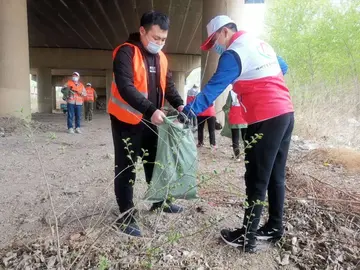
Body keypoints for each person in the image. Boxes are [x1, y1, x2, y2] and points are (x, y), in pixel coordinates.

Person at [183, 15, 294, 252]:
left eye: (214, 41)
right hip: (285, 112)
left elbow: (215, 86)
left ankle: (248, 237)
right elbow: (282, 67)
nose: (214, 47)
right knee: (275, 175)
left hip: (265, 117)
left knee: (256, 177)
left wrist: (189, 111)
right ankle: (275, 227)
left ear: (224, 32)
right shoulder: (259, 43)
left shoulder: (233, 53)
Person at [108, 11, 185, 237]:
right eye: (155, 37)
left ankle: (159, 201)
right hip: (126, 120)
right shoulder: (125, 52)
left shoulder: (161, 57)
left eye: (163, 39)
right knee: (126, 166)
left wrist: (180, 104)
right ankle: (125, 214)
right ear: (142, 31)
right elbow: (126, 87)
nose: (159, 43)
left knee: (154, 161)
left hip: (153, 121)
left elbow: (167, 85)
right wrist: (151, 110)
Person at [186, 83, 216, 148]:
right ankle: (212, 144)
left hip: (201, 113)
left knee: (200, 128)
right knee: (211, 129)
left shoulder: (193, 93)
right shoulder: (211, 93)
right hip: (210, 113)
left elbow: (190, 102)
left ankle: (200, 143)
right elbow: (212, 104)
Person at [221, 89, 247, 161]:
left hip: (235, 116)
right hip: (244, 115)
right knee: (245, 137)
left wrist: (224, 108)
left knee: (235, 137)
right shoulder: (246, 89)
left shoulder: (231, 92)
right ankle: (247, 156)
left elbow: (227, 105)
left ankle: (237, 156)